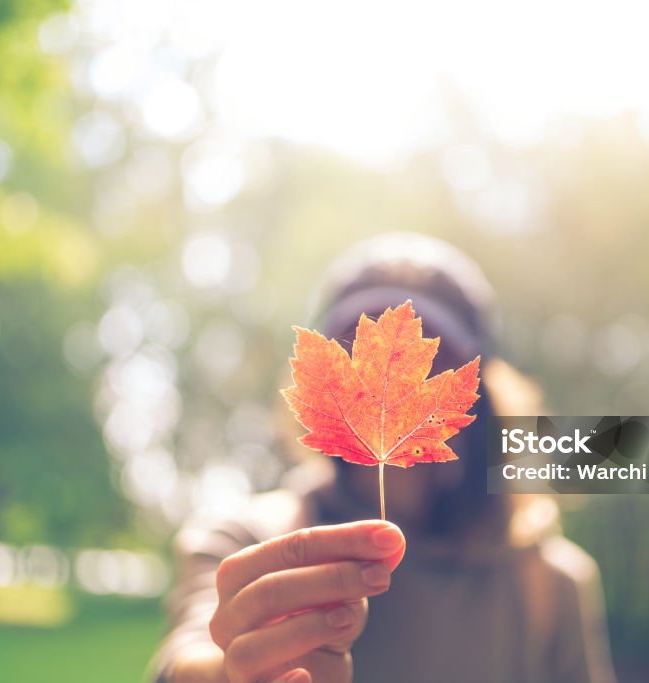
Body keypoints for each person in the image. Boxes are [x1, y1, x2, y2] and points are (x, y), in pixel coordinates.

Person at [150, 233, 616, 683]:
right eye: (353, 349)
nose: (384, 393)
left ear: (483, 395)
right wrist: (223, 673)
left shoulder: (548, 583)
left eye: (436, 354)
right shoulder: (247, 542)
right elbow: (193, 651)